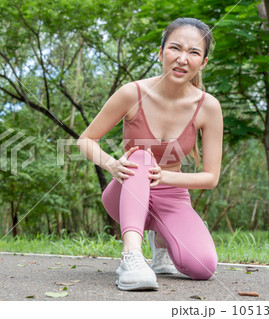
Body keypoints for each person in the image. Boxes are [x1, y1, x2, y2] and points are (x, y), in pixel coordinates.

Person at [77, 17, 223, 291]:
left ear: (203, 62)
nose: (182, 59)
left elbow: (211, 177)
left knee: (203, 267)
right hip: (126, 189)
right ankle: (131, 257)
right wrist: (111, 164)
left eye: (193, 52)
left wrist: (164, 175)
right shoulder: (132, 93)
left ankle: (160, 246)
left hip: (171, 195)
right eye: (175, 48)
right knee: (142, 156)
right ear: (160, 52)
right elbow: (86, 140)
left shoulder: (208, 107)